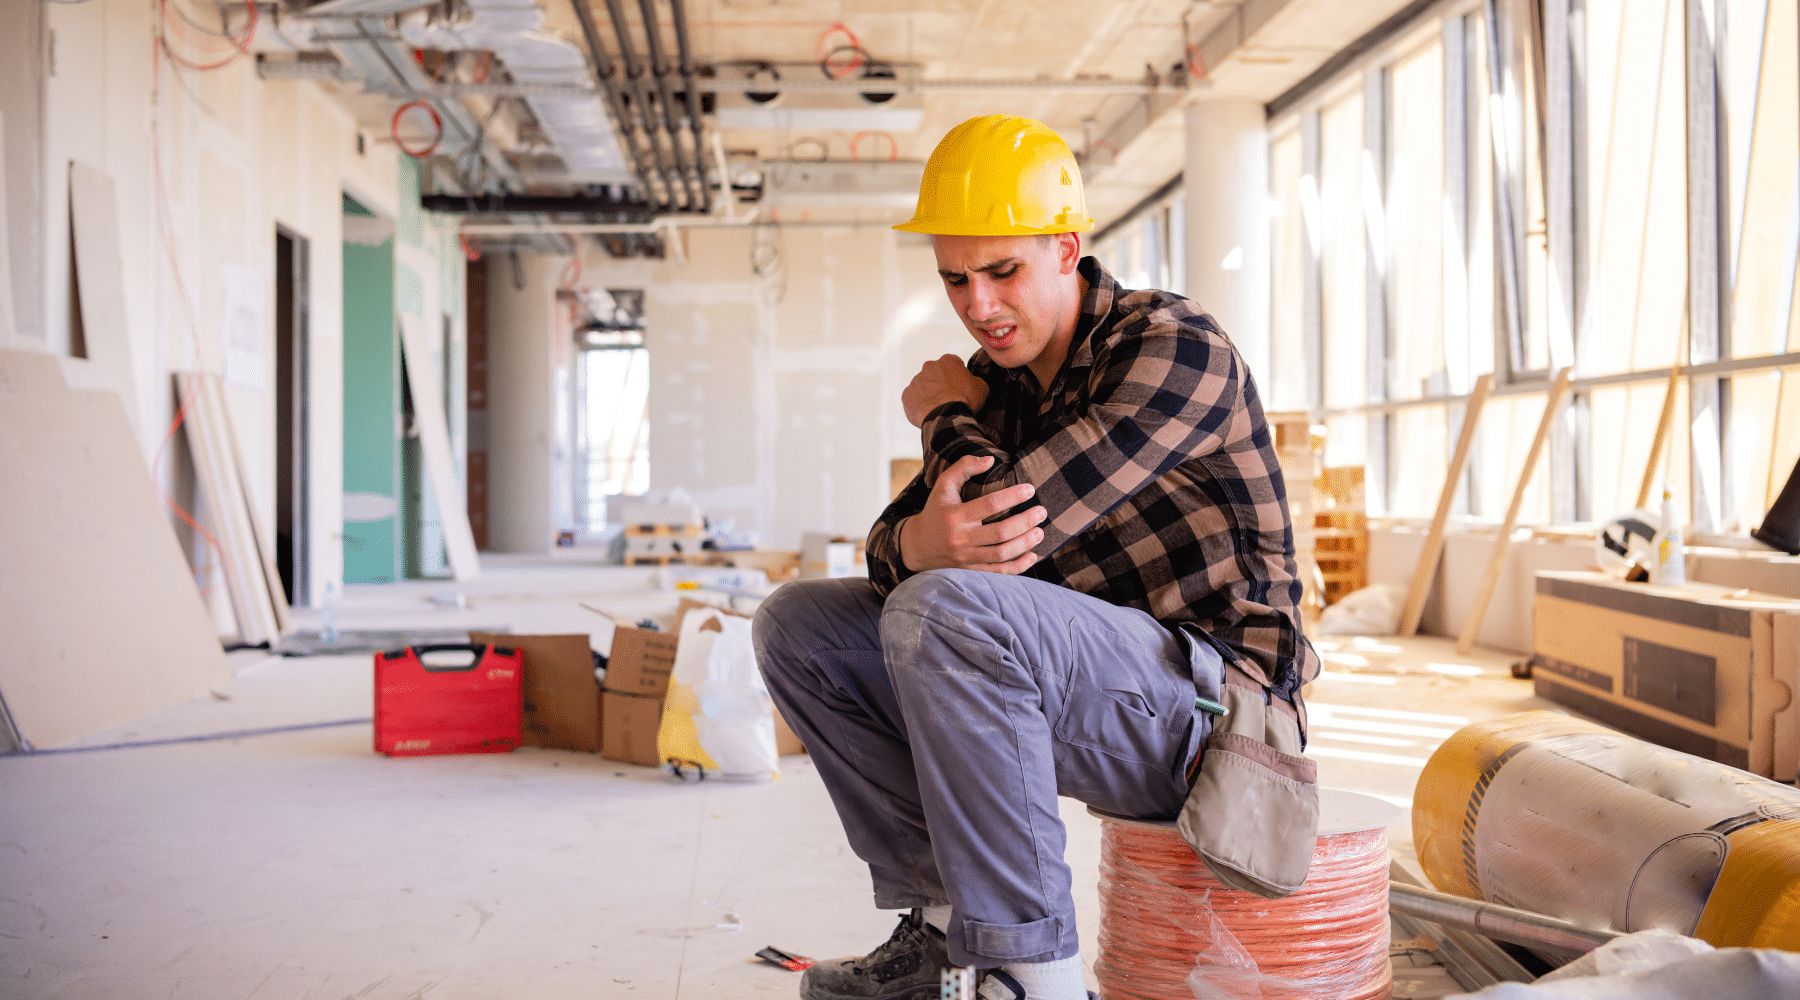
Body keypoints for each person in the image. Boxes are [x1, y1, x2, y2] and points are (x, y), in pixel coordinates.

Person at [752, 114, 1319, 1000]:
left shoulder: (1175, 347)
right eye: (955, 279)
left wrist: (944, 411)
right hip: (1090, 692)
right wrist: (917, 541)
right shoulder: (1003, 393)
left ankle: (1034, 975)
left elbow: (1008, 515)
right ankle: (940, 930)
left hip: (1219, 715)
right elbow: (894, 545)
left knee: (942, 609)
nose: (977, 304)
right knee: (800, 626)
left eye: (1002, 270)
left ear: (1067, 247)